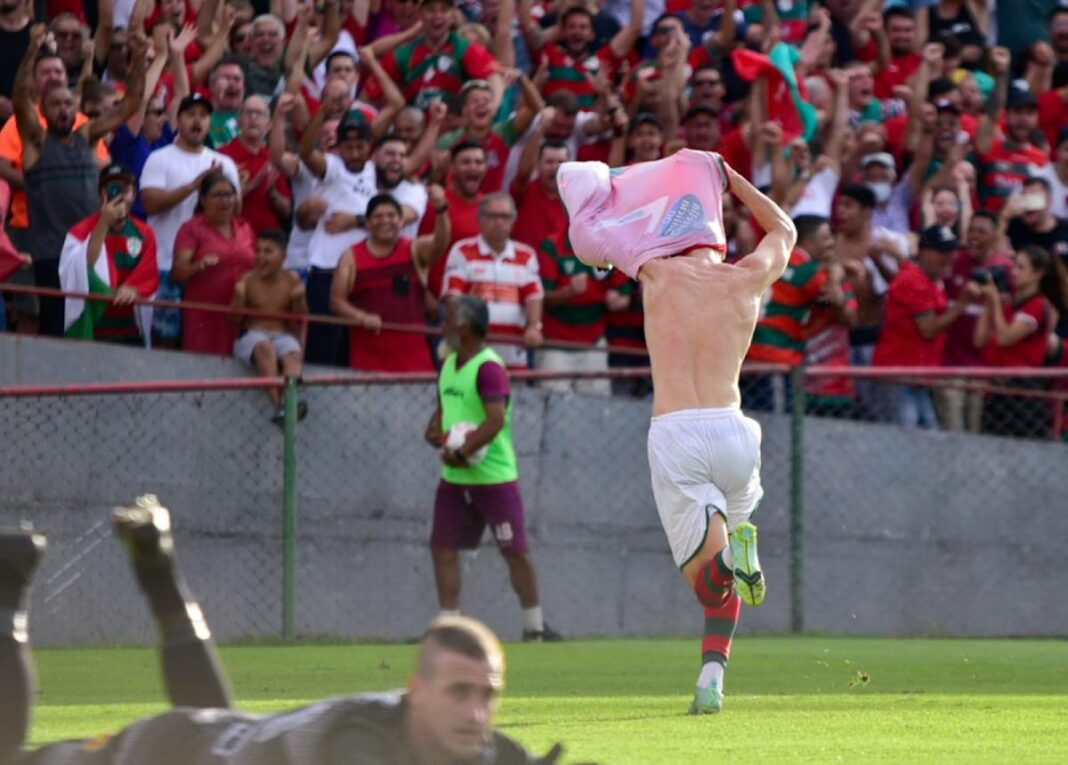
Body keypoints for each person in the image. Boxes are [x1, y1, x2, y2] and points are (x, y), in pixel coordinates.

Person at [0, 496, 564, 765]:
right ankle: (10, 586)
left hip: (214, 736)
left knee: (216, 730)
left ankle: (157, 562)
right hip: (154, 755)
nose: (475, 713)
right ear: (415, 692)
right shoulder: (356, 746)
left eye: (487, 695)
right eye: (459, 692)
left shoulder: (481, 747)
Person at [556, 149, 797, 713]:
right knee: (727, 581)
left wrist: (602, 188)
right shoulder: (745, 279)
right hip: (736, 433)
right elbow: (783, 229)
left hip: (678, 434)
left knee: (709, 582)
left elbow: (584, 225)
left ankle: (732, 565)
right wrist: (728, 177)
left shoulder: (654, 270)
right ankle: (711, 678)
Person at [424, 295, 561, 643]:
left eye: (449, 318)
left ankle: (535, 627)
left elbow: (495, 419)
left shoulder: (489, 367)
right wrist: (435, 428)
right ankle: (448, 626)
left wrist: (463, 451)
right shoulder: (449, 363)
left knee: (514, 549)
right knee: (443, 547)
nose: (444, 324)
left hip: (493, 476)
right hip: (456, 476)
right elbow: (446, 405)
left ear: (465, 326)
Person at [13, 25, 147, 336]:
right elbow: (20, 98)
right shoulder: (35, 143)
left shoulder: (87, 136)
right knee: (55, 328)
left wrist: (139, 59)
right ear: (43, 110)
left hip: (91, 249)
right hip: (52, 254)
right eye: (55, 104)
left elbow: (130, 104)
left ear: (77, 109)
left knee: (95, 326)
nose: (63, 109)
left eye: (68, 103)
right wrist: (32, 51)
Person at [140, 92, 242, 346]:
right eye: (190, 114)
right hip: (165, 264)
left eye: (204, 115)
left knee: (204, 339)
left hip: (210, 269)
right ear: (179, 119)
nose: (197, 121)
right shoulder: (159, 158)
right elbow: (150, 203)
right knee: (165, 339)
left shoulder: (224, 162)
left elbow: (237, 209)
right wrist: (194, 186)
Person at [330, 190, 450, 372]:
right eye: (378, 216)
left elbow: (440, 244)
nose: (385, 220)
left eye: (391, 215)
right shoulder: (351, 256)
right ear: (368, 224)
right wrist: (361, 317)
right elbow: (336, 301)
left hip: (414, 359)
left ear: (401, 221)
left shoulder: (414, 249)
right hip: (367, 358)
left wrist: (441, 209)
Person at [871, 225, 979, 428]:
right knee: (906, 435)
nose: (949, 257)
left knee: (927, 433)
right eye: (942, 252)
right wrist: (962, 303)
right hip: (898, 376)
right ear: (925, 252)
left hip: (916, 376)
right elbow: (928, 329)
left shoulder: (925, 277)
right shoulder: (915, 280)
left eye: (951, 251)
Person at [58, 164, 160, 345]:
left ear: (134, 194)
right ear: (100, 195)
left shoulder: (145, 233)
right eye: (112, 189)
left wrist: (134, 288)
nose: (119, 194)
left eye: (125, 189)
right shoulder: (80, 231)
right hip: (93, 324)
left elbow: (149, 271)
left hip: (129, 326)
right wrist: (104, 222)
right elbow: (83, 268)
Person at [441, 193, 545, 370]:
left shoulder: (526, 255)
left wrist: (535, 327)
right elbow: (453, 297)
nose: (499, 222)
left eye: (505, 217)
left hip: (512, 354)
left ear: (513, 221)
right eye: (492, 216)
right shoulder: (463, 251)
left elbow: (534, 297)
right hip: (471, 351)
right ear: (480, 219)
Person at [974, 244, 1067, 438]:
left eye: (1021, 268)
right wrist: (991, 303)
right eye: (1014, 266)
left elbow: (1005, 338)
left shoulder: (1038, 304)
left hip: (1022, 394)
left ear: (1037, 273)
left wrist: (996, 304)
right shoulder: (1009, 305)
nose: (1014, 272)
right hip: (996, 391)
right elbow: (979, 340)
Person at [172, 172, 255, 356]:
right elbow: (177, 272)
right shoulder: (191, 229)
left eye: (229, 195)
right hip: (204, 315)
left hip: (239, 314)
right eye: (218, 195)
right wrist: (198, 265)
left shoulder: (245, 228)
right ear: (203, 199)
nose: (225, 201)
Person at [231, 230, 309, 424]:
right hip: (252, 336)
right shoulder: (247, 280)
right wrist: (239, 298)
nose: (260, 256)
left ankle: (286, 404)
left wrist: (299, 299)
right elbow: (233, 321)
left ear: (283, 256)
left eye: (268, 251)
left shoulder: (291, 280)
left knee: (293, 355)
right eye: (257, 251)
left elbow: (301, 317)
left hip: (282, 335)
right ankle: (281, 406)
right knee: (266, 347)